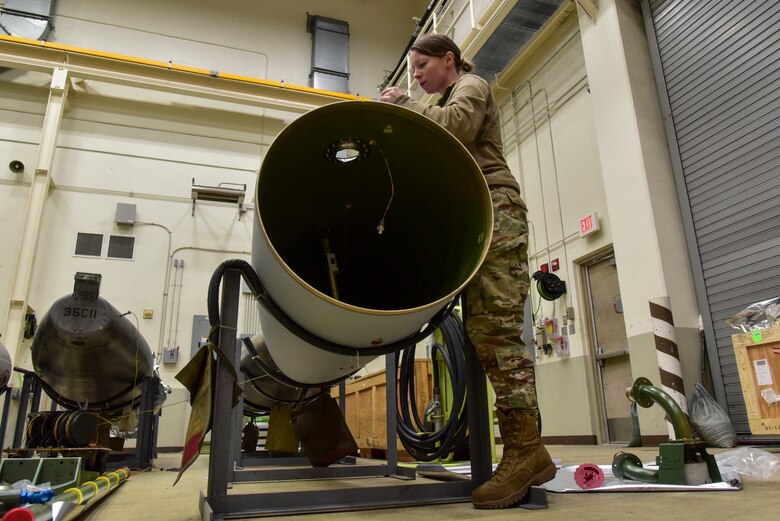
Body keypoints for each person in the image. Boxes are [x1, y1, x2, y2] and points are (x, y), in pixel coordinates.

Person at [379, 34, 555, 509]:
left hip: (496, 207)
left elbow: (457, 127)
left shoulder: (470, 87)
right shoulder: (442, 99)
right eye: (413, 69)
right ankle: (525, 450)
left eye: (420, 66)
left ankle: (524, 450)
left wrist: (407, 104)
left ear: (448, 60)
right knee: (482, 333)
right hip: (475, 214)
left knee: (497, 333)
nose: (415, 75)